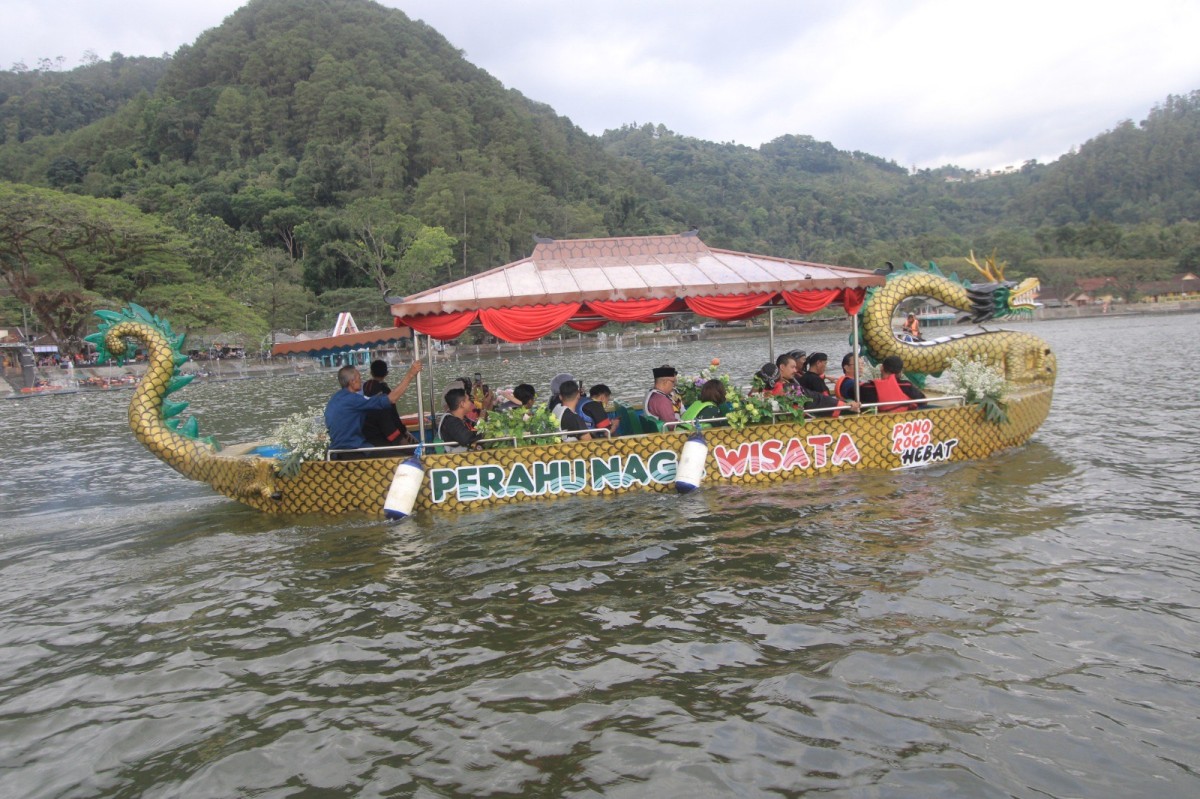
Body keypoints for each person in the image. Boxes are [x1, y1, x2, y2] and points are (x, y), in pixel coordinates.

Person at [324, 361, 422, 459]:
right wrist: (410, 374)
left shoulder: (334, 399)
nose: (361, 381)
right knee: (406, 458)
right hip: (352, 450)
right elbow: (391, 399)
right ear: (352, 381)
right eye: (359, 378)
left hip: (335, 450)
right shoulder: (353, 399)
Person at [361, 360, 416, 449]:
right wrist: (404, 432)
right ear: (386, 373)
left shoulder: (365, 388)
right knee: (412, 449)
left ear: (371, 372)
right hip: (383, 435)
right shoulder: (385, 393)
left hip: (368, 435)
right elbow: (392, 416)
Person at [438, 388, 483, 452]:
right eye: (468, 400)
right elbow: (467, 439)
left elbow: (474, 427)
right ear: (462, 404)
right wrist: (481, 423)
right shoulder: (451, 422)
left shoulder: (463, 418)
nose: (471, 403)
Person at [643, 365, 682, 430]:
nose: (674, 385)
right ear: (665, 382)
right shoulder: (662, 400)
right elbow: (672, 426)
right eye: (673, 382)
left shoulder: (649, 394)